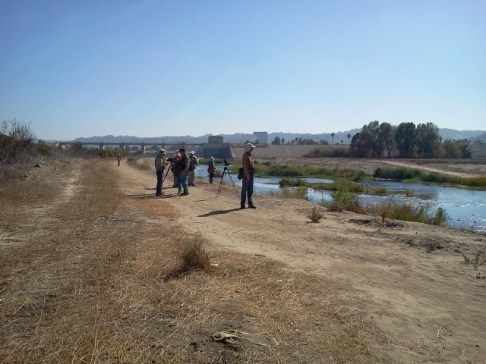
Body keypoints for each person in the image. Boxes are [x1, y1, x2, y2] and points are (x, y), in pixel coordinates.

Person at [240, 143, 256, 209]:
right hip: (247, 175)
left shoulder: (249, 155)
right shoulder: (245, 155)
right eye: (252, 147)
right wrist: (247, 175)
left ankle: (250, 203)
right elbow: (245, 167)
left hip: (250, 174)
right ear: (249, 148)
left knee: (250, 189)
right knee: (245, 189)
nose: (253, 149)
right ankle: (243, 204)